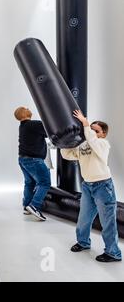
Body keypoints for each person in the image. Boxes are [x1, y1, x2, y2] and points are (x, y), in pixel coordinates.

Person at [61, 110, 122, 263]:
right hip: (87, 186)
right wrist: (63, 142)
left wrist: (86, 124)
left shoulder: (102, 144)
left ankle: (113, 253)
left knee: (107, 220)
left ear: (102, 134)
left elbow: (93, 142)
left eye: (96, 131)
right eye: (90, 130)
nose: (91, 133)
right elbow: (67, 155)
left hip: (103, 186)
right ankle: (83, 242)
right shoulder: (84, 145)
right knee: (83, 218)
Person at [14, 106, 51, 221]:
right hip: (34, 160)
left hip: (23, 159)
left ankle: (26, 206)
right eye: (26, 108)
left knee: (29, 183)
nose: (28, 108)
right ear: (24, 114)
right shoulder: (34, 124)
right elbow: (50, 132)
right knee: (44, 183)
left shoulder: (23, 126)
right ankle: (34, 205)